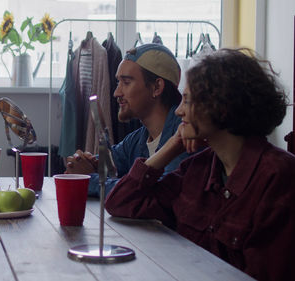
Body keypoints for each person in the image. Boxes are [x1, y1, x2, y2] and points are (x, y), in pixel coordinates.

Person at [105, 48, 295, 281]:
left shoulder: (279, 177)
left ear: (220, 106)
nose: (179, 110)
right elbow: (121, 203)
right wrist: (171, 145)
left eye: (187, 100)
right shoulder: (198, 169)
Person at [66, 43, 190, 197]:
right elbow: (111, 162)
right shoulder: (137, 139)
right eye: (118, 83)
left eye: (126, 82)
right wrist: (82, 163)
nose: (116, 93)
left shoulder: (185, 138)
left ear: (157, 87)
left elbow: (152, 194)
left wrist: (89, 179)